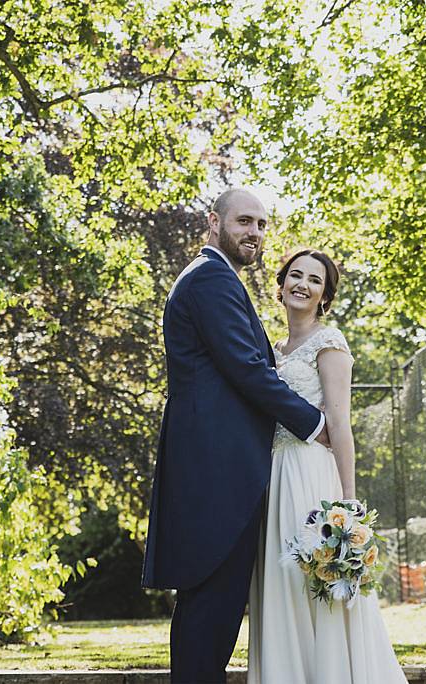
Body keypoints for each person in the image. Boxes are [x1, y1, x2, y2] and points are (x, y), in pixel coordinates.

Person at [141, 189, 331, 684]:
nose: (256, 233)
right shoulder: (210, 279)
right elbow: (247, 369)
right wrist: (314, 423)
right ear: (214, 222)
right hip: (214, 472)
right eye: (245, 221)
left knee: (214, 613)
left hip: (221, 468)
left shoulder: (218, 279)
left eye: (263, 225)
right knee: (210, 610)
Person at [247, 248, 407, 683]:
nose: (302, 284)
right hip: (273, 478)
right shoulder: (268, 348)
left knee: (314, 587)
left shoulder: (330, 343)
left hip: (311, 477)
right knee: (282, 589)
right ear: (280, 287)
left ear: (324, 295)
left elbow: (340, 425)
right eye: (294, 276)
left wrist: (348, 504)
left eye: (314, 280)